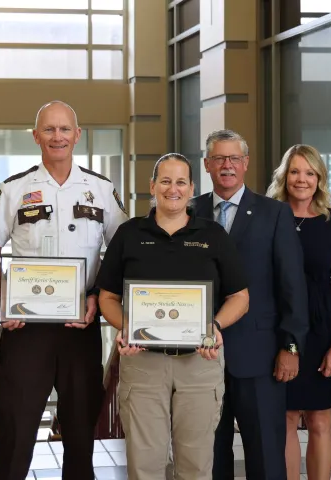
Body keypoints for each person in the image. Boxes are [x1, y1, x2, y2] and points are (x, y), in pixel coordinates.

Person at [0, 100, 129, 480]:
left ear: (77, 135)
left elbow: (122, 252)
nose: (57, 136)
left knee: (80, 433)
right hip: (26, 330)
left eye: (65, 129)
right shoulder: (14, 189)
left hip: (80, 328)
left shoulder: (101, 189)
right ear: (36, 136)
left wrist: (97, 297)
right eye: (49, 129)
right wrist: (5, 298)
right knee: (16, 429)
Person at [96, 153, 250, 479]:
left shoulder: (213, 235)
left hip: (200, 362)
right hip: (142, 363)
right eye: (165, 181)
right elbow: (107, 297)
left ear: (192, 188)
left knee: (195, 467)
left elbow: (240, 297)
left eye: (181, 182)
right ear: (152, 186)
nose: (173, 189)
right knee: (144, 466)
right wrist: (126, 328)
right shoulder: (129, 234)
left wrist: (216, 325)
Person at [191, 129, 309, 480]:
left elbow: (292, 285)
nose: (226, 165)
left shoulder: (274, 214)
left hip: (260, 355)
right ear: (207, 164)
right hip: (200, 354)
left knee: (266, 454)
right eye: (219, 159)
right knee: (210, 454)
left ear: (245, 164)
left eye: (234, 159)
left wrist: (291, 344)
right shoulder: (190, 210)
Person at [266, 144, 331, 480]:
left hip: (320, 329)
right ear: (283, 176)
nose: (301, 179)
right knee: (286, 416)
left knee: (319, 418)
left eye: (309, 172)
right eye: (294, 171)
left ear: (319, 178)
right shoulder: (269, 217)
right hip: (278, 327)